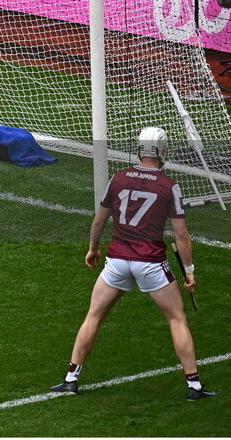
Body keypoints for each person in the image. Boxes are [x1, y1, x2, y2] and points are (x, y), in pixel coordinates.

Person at [49, 127, 215, 400]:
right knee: (177, 319)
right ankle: (194, 386)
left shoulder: (118, 178)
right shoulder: (168, 186)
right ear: (162, 150)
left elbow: (100, 220)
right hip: (150, 263)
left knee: (94, 316)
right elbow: (181, 236)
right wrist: (189, 272)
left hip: (116, 260)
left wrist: (93, 249)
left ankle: (70, 378)